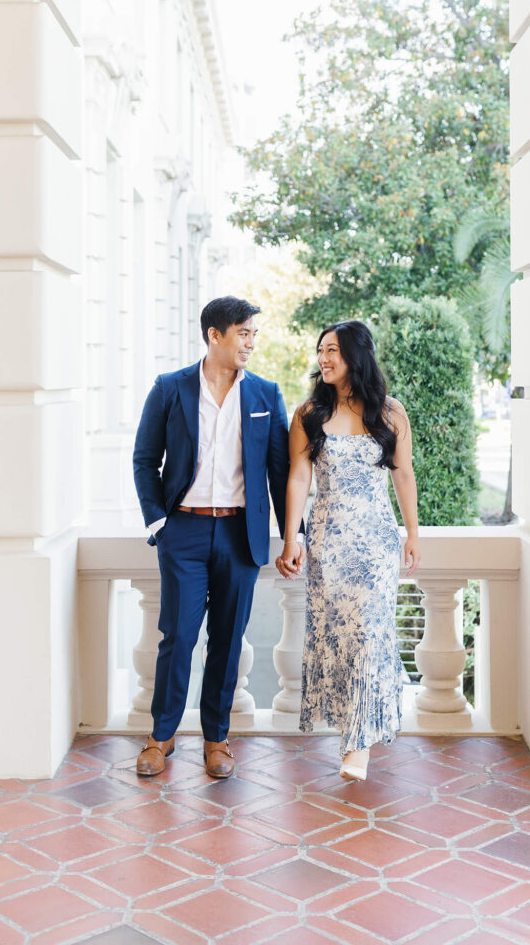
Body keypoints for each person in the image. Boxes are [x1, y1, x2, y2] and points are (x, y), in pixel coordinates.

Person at [133, 296, 303, 778]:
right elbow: (145, 459)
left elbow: (280, 471)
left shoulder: (265, 395)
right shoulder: (171, 388)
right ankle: (160, 738)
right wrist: (159, 522)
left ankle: (216, 739)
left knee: (227, 641)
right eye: (243, 333)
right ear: (215, 335)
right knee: (178, 636)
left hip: (239, 532)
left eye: (254, 334)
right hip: (182, 530)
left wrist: (293, 535)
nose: (250, 342)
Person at [276, 320, 420, 782]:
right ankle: (353, 728)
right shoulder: (308, 414)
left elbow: (403, 475)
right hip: (329, 544)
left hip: (376, 543)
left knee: (370, 632)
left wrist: (412, 534)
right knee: (340, 637)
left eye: (333, 349)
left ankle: (356, 745)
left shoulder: (391, 412)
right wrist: (291, 537)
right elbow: (298, 478)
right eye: (320, 350)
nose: (324, 358)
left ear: (356, 355)